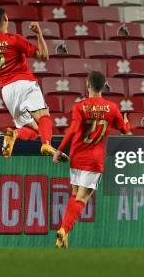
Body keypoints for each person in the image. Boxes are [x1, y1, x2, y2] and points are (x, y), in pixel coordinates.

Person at [0, 6, 67, 161]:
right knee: (44, 117)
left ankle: (14, 134)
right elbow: (43, 56)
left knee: (34, 130)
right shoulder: (14, 39)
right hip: (25, 83)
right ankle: (47, 145)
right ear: (5, 19)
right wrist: (39, 34)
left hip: (7, 92)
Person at [53, 71, 130, 248]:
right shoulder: (112, 108)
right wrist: (127, 122)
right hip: (94, 161)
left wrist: (59, 150)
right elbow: (125, 130)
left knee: (74, 196)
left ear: (87, 85)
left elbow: (72, 130)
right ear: (103, 87)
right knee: (81, 200)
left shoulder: (79, 107)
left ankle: (64, 234)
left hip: (77, 156)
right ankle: (64, 230)